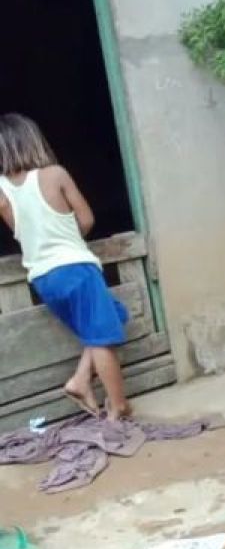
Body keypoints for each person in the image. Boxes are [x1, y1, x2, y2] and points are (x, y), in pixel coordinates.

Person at [0, 113, 130, 422]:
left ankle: (81, 379)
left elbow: (25, 233)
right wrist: (69, 239)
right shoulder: (55, 174)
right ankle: (119, 406)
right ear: (33, 140)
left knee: (115, 315)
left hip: (44, 280)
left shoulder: (2, 192)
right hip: (77, 269)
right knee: (100, 337)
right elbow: (86, 220)